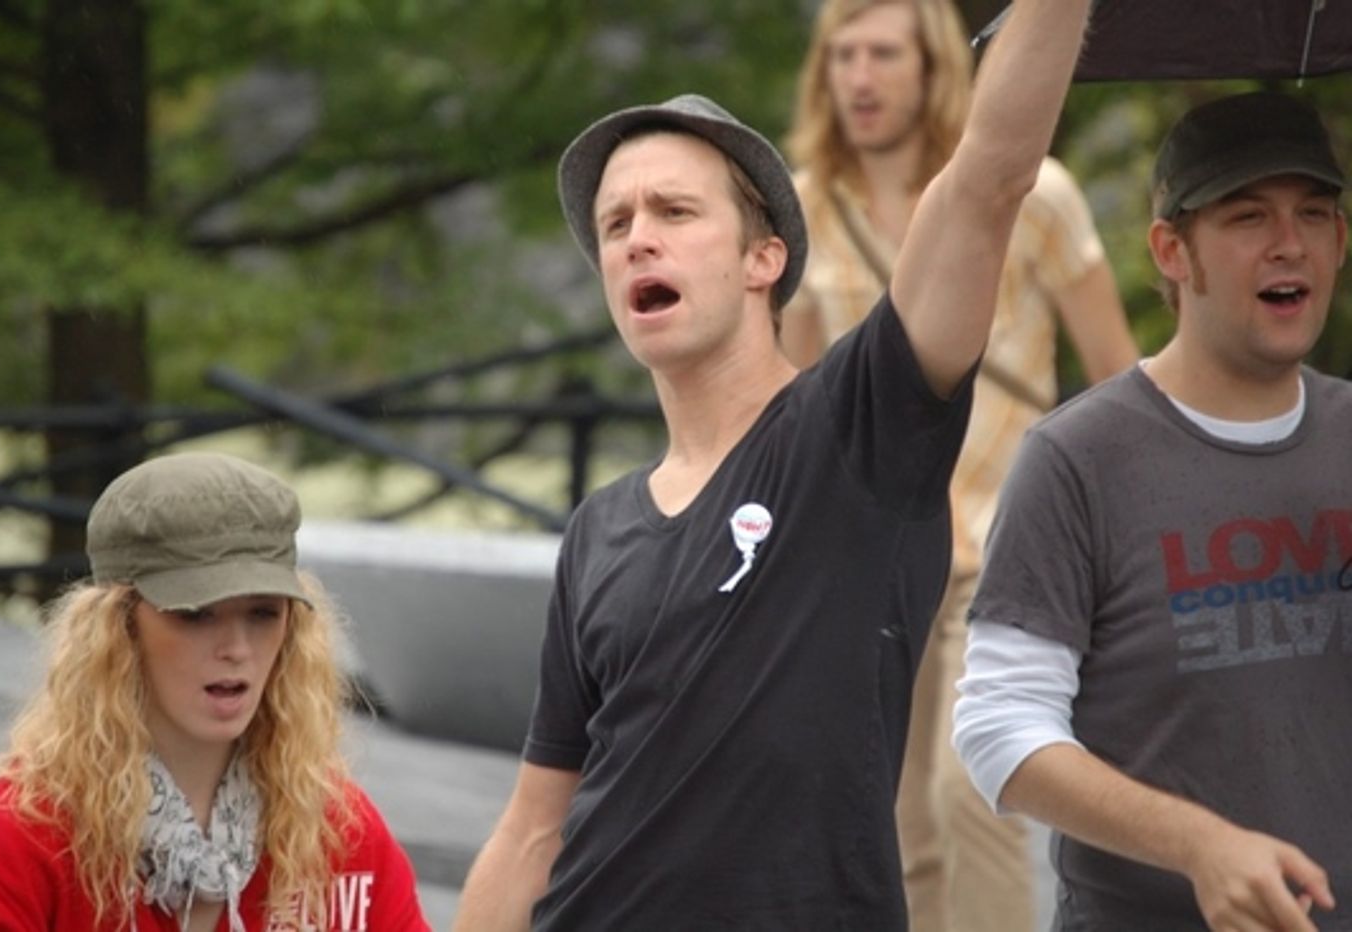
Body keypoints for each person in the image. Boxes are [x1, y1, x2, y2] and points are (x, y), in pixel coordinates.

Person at [453, 1, 1092, 928]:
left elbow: (989, 177)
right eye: (616, 222)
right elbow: (532, 830)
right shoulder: (597, 528)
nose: (637, 237)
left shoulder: (857, 430)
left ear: (765, 258)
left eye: (674, 211)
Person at [953, 90, 1349, 931]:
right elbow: (998, 728)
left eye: (1314, 213)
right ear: (1172, 250)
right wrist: (1199, 844)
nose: (1289, 244)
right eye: (1247, 218)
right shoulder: (1076, 459)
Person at [780, 3, 1139, 930]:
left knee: (967, 792)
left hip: (1001, 542)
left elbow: (1118, 377)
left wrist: (1128, 540)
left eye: (883, 54)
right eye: (842, 55)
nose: (859, 77)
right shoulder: (804, 206)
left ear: (934, 63)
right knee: (894, 824)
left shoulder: (1038, 193)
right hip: (870, 558)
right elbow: (795, 403)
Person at [0, 452, 432, 932]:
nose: (237, 648)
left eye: (263, 613)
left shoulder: (337, 828)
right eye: (197, 613)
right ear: (117, 628)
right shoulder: (24, 837)